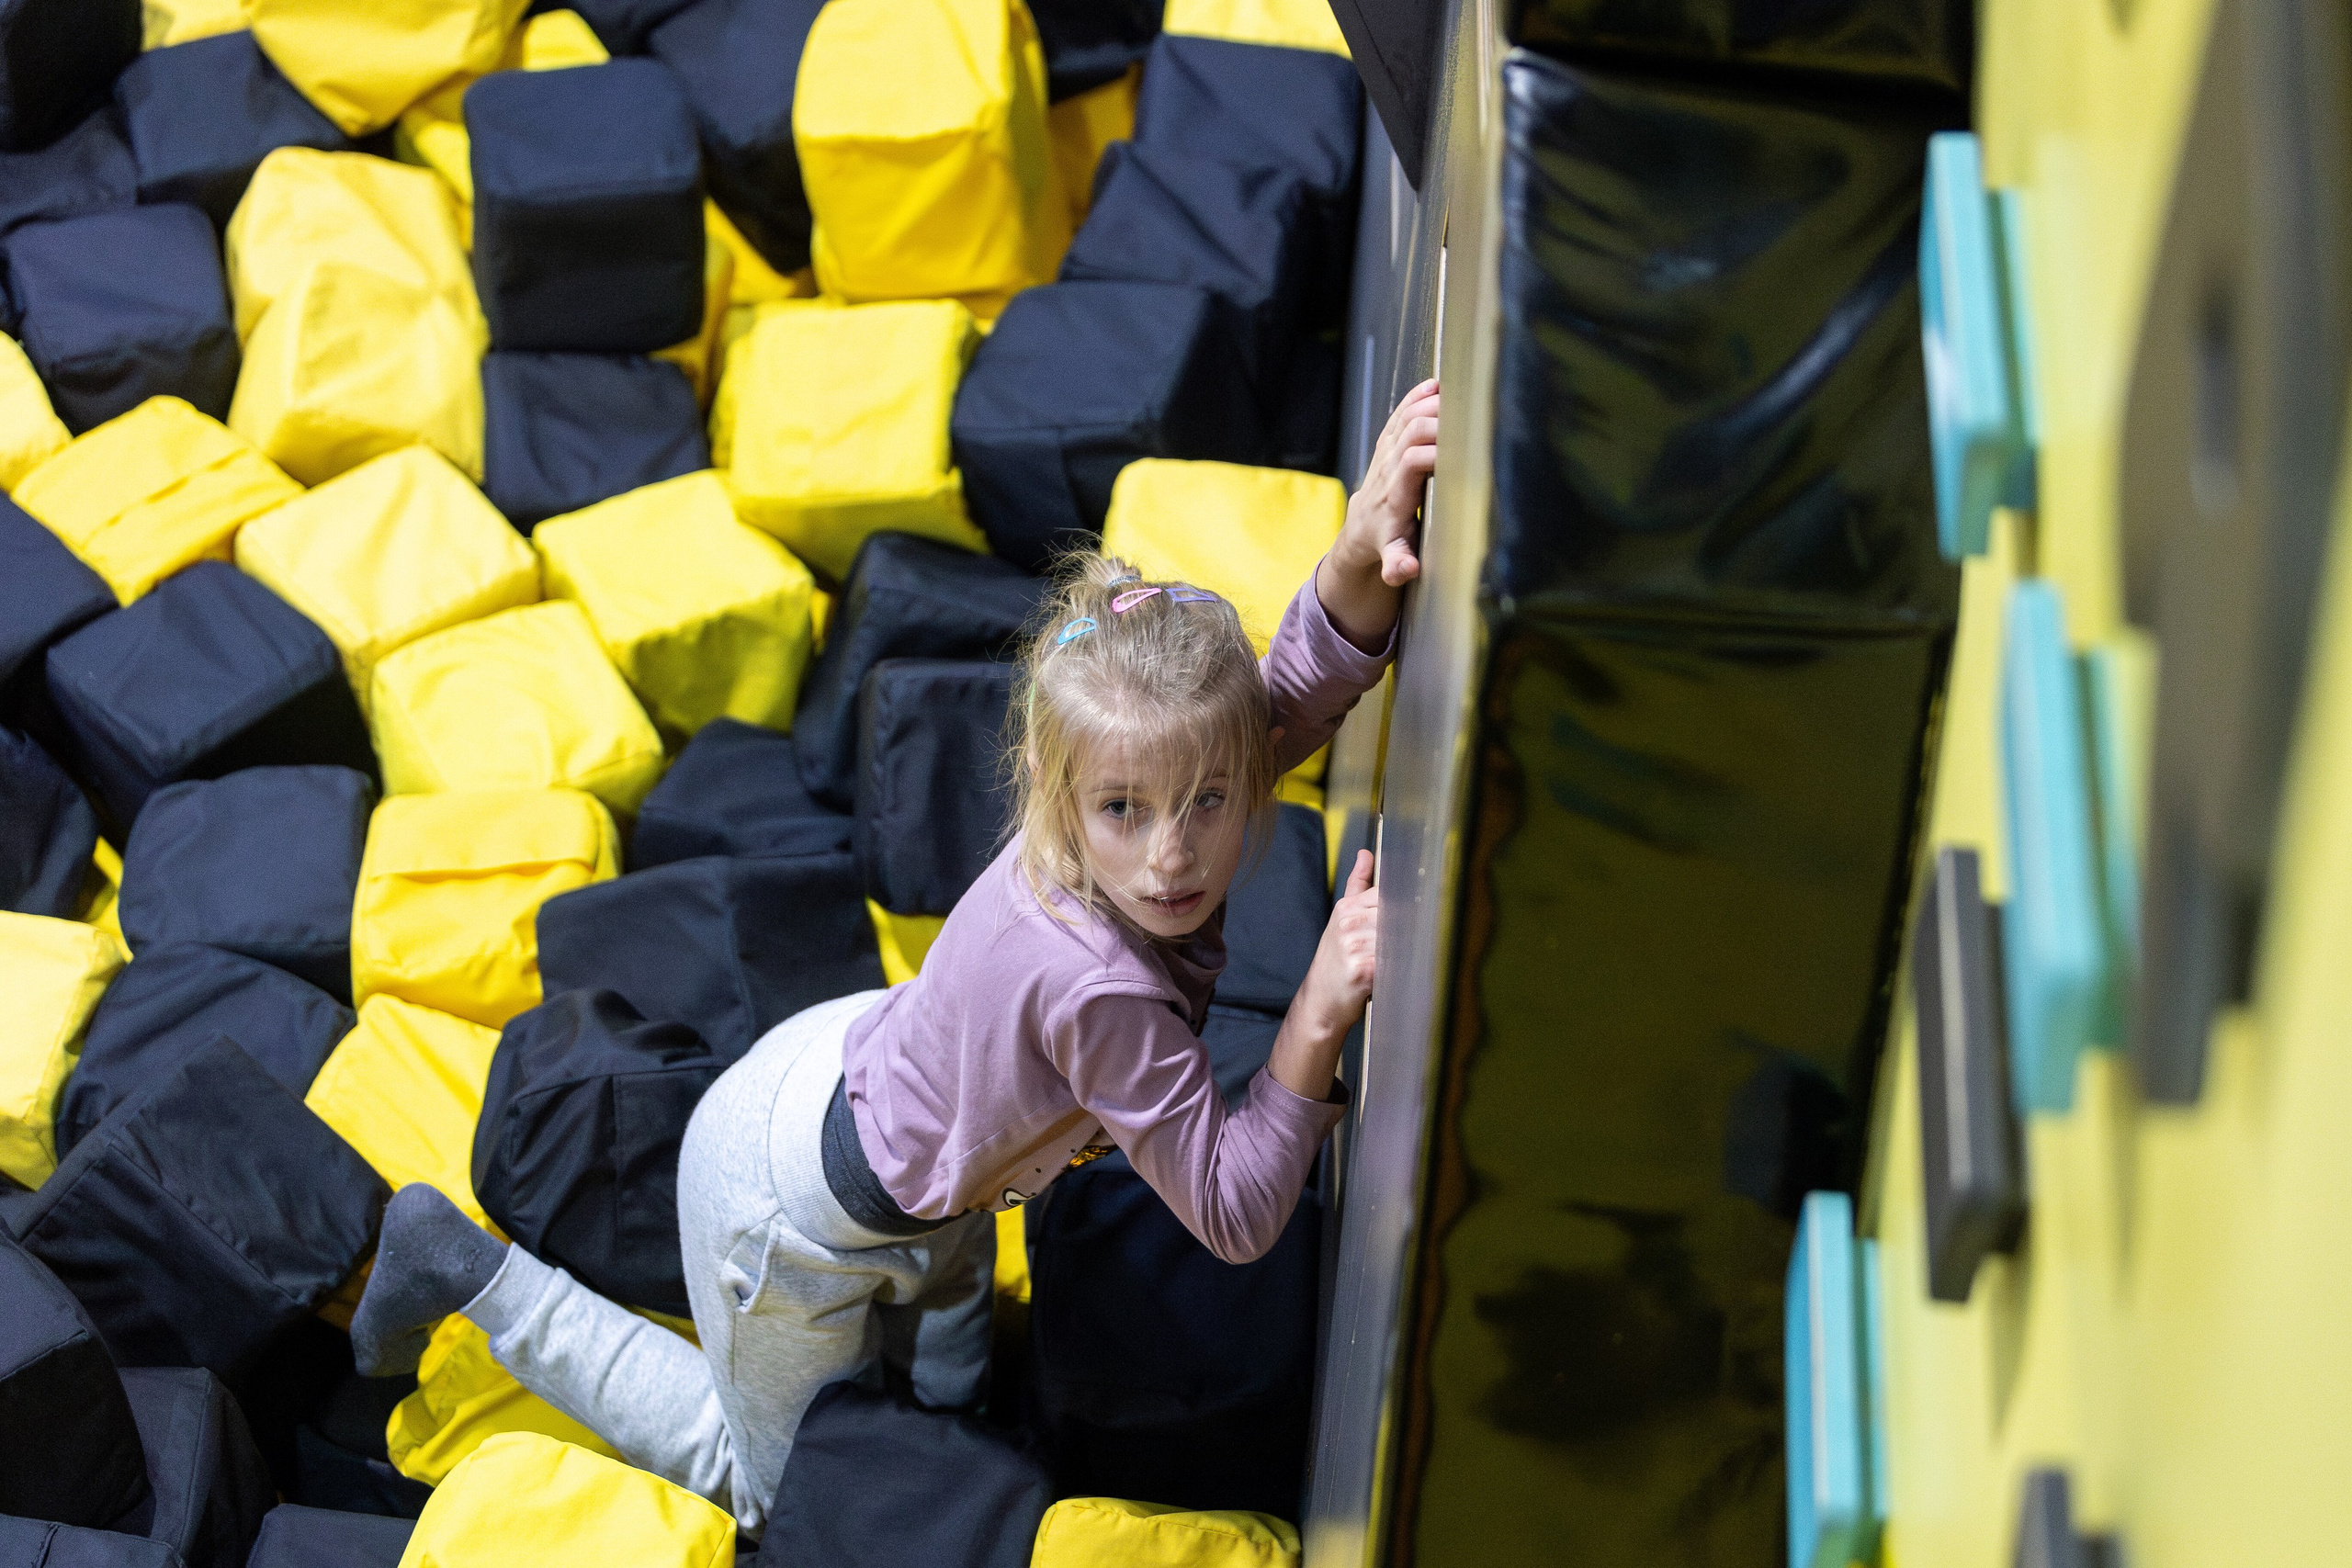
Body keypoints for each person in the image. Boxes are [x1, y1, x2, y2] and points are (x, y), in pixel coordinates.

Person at [349, 378, 1442, 1533]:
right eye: (1128, 810)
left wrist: (1358, 552)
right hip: (785, 1217)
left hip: (887, 1097)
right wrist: (1317, 1011)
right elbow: (1230, 1209)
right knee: (776, 1496)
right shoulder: (1101, 991)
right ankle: (465, 1270)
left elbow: (1274, 709)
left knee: (950, 1372)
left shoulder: (1103, 790)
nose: (1173, 857)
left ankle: (951, 1421)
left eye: (1209, 801)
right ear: (1059, 788)